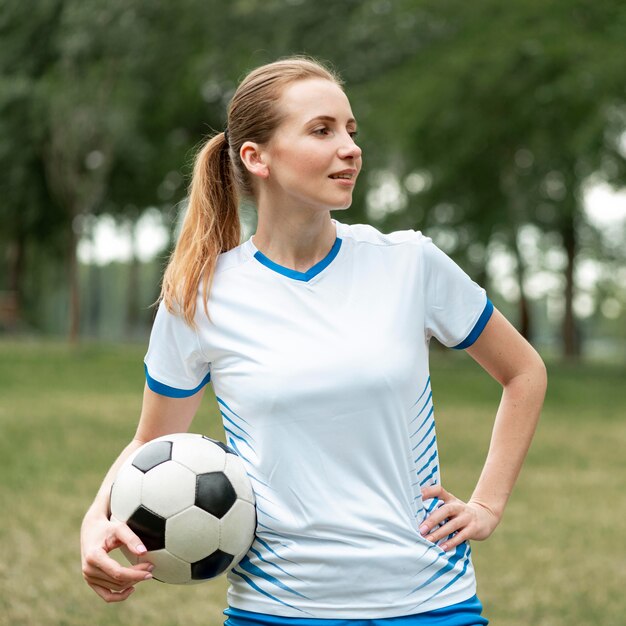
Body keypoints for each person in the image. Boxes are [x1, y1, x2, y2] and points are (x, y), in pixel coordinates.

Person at [80, 56, 547, 625]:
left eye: (351, 131)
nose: (349, 148)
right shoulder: (199, 295)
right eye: (322, 131)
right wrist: (93, 522)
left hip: (429, 601)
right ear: (257, 158)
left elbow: (523, 372)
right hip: (277, 608)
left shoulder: (408, 263)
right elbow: (151, 442)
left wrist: (488, 504)